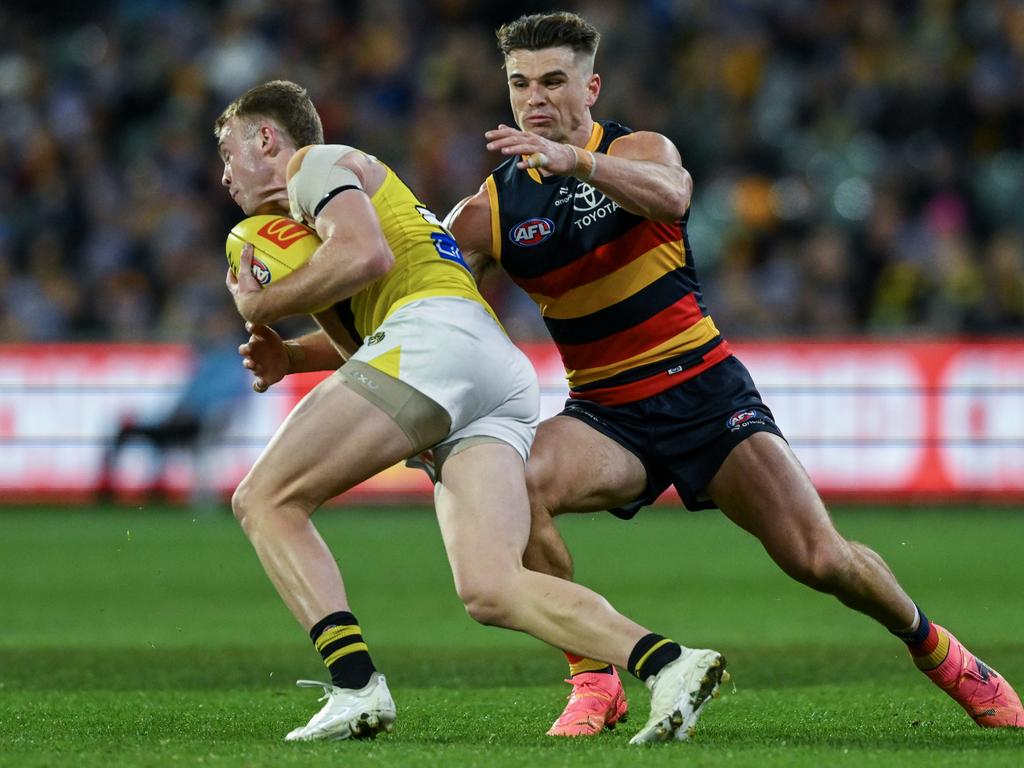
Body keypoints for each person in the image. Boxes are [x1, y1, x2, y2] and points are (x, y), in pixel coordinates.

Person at [444, 11, 1024, 737]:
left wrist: (580, 163)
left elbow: (672, 198)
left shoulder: (639, 148)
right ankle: (594, 678)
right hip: (606, 413)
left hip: (705, 391)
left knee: (821, 558)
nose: (536, 98)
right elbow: (422, 311)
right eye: (520, 83)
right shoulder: (490, 207)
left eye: (554, 80)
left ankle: (940, 652)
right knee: (516, 486)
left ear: (591, 86)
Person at [213, 79, 729, 744]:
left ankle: (355, 687)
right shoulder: (332, 207)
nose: (225, 175)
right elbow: (372, 312)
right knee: (492, 587)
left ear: (266, 138)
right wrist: (292, 357)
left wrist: (260, 306)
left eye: (228, 153)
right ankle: (669, 664)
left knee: (264, 498)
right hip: (488, 365)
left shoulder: (311, 164)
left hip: (434, 342)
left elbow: (364, 254)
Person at [95, 304, 248, 503]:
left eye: (217, 325)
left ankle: (148, 494)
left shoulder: (233, 361)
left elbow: (225, 398)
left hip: (198, 423)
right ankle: (110, 491)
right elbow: (186, 396)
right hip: (180, 420)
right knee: (125, 429)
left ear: (229, 328)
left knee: (151, 432)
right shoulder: (204, 356)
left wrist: (194, 412)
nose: (212, 329)